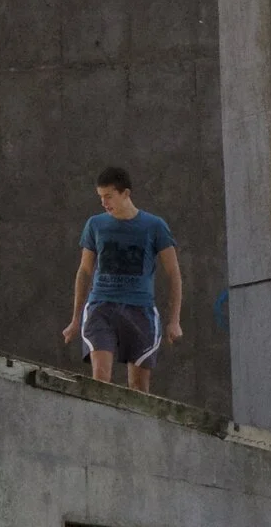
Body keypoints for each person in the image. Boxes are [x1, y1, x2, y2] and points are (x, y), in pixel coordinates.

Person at [60, 166, 181, 392]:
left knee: (138, 386)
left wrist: (174, 320)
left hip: (140, 309)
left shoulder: (154, 226)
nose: (104, 203)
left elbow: (173, 273)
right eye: (101, 197)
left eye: (109, 196)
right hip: (102, 306)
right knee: (100, 376)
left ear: (125, 193)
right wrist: (75, 319)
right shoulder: (95, 225)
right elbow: (85, 271)